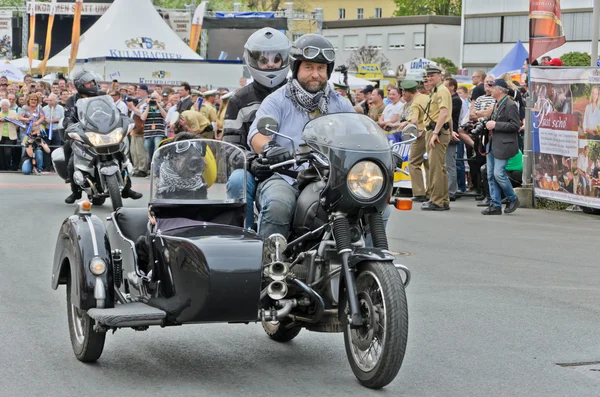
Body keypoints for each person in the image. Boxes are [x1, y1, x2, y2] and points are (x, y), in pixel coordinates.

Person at [247, 34, 355, 238]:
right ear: (296, 68)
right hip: (286, 176)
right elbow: (258, 134)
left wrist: (381, 152)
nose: (316, 74)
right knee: (278, 204)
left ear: (328, 71)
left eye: (321, 68)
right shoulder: (277, 99)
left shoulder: (339, 103)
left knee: (376, 206)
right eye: (309, 67)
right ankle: (269, 264)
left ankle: (364, 262)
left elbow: (359, 132)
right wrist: (270, 148)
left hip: (331, 178)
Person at [223, 27, 291, 228]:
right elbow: (230, 146)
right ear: (252, 60)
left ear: (286, 59)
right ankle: (245, 237)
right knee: (237, 181)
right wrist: (252, 162)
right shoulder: (239, 99)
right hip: (254, 169)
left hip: (295, 167)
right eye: (263, 60)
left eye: (276, 59)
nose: (270, 64)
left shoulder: (297, 94)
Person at [62, 70, 142, 203]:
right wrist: (69, 125)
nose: (93, 84)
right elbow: (68, 117)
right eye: (89, 83)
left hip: (104, 130)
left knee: (122, 155)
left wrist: (123, 119)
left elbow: (114, 111)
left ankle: (127, 189)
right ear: (80, 85)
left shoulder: (102, 96)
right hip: (84, 132)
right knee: (70, 155)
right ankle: (75, 191)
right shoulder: (73, 100)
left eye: (93, 81)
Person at [481, 79, 521, 215]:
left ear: (500, 90)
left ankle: (513, 198)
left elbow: (515, 125)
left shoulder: (510, 105)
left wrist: (496, 125)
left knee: (499, 174)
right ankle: (495, 204)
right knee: (491, 175)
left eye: (492, 88)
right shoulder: (497, 104)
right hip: (493, 143)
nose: (490, 90)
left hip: (503, 145)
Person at [421, 65, 452, 211]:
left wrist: (435, 133)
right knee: (440, 168)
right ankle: (443, 199)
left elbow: (444, 113)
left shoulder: (441, 91)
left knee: (435, 168)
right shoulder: (438, 91)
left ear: (440, 76)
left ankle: (437, 200)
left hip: (436, 132)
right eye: (428, 75)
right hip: (438, 131)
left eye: (433, 75)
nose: (429, 77)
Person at [405, 80, 431, 202]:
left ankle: (419, 192)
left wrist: (405, 125)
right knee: (428, 163)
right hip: (431, 131)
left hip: (420, 133)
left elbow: (414, 121)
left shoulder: (415, 103)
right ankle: (431, 191)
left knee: (413, 162)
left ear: (407, 92)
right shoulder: (427, 97)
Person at [0, 98, 19, 171]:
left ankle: (7, 167)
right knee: (1, 153)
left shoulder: (13, 113)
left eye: (6, 105)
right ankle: (2, 168)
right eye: (3, 105)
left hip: (10, 135)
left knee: (7, 153)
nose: (4, 106)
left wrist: (14, 120)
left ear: (9, 106)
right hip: (1, 136)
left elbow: (18, 124)